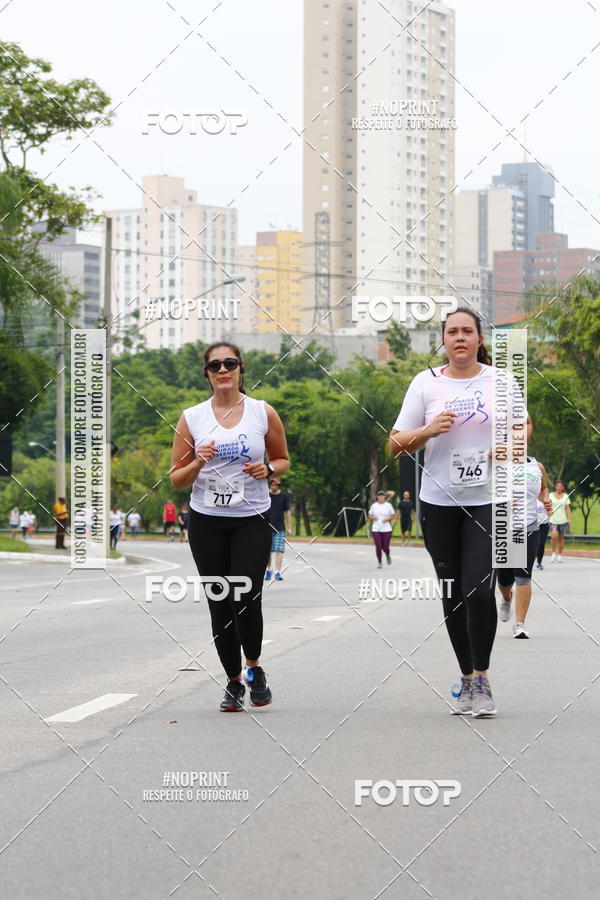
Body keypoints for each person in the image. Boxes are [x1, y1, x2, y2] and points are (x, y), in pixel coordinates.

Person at [389, 307, 530, 718]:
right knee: (452, 593)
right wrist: (427, 431)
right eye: (452, 332)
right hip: (439, 502)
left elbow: (524, 427)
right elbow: (395, 444)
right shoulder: (425, 384)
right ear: (444, 340)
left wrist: (510, 446)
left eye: (468, 331)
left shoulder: (500, 380)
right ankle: (465, 677)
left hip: (488, 500)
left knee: (477, 590)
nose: (460, 338)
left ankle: (482, 679)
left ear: (480, 338)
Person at [170, 341, 289, 712]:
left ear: (241, 369)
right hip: (207, 521)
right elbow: (177, 479)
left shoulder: (261, 412)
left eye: (230, 363)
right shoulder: (192, 418)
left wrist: (267, 469)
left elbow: (282, 459)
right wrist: (198, 463)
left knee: (246, 596)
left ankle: (254, 668)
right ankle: (233, 681)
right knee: (220, 601)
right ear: (206, 373)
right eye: (215, 365)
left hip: (252, 518)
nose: (223, 370)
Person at [497, 458, 552, 639]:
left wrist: (545, 499)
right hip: (503, 528)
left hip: (528, 526)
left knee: (523, 575)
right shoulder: (497, 464)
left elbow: (543, 489)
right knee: (504, 579)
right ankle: (506, 598)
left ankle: (520, 624)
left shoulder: (537, 466)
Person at [265, 478, 292, 581]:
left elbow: (288, 511)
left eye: (276, 485)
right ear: (270, 485)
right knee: (267, 550)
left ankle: (277, 571)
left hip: (280, 528)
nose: (274, 486)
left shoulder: (284, 497)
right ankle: (268, 569)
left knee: (279, 549)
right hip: (267, 527)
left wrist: (289, 527)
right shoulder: (266, 496)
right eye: (272, 484)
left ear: (278, 486)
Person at [368, 490, 395, 568]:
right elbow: (369, 515)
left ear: (384, 497)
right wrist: (373, 517)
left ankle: (387, 555)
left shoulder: (388, 505)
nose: (381, 497)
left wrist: (387, 519)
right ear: (377, 497)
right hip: (376, 528)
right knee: (378, 546)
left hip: (386, 529)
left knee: (385, 546)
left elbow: (393, 515)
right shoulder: (374, 506)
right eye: (379, 495)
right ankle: (379, 562)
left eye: (382, 495)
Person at [549, 481, 571, 563]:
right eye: (557, 486)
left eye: (560, 486)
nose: (559, 488)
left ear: (563, 488)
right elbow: (548, 506)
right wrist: (549, 511)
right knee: (554, 536)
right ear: (555, 487)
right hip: (553, 520)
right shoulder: (550, 495)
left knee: (561, 539)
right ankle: (553, 553)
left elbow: (567, 508)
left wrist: (569, 518)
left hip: (563, 520)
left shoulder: (566, 496)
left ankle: (560, 555)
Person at [535, 498, 550, 570]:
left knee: (541, 544)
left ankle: (539, 562)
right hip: (533, 525)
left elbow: (550, 512)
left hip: (544, 525)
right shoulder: (531, 498)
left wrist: (550, 511)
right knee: (533, 544)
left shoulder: (546, 499)